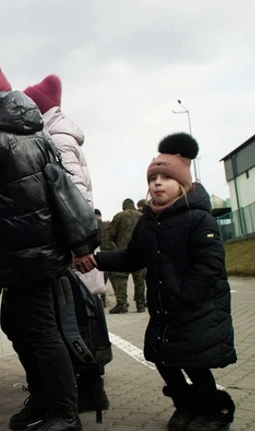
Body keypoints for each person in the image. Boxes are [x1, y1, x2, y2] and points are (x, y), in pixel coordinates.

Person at [0, 53, 98, 431]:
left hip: (25, 253)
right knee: (18, 324)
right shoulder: (35, 132)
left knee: (41, 332)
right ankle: (44, 401)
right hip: (40, 249)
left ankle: (62, 412)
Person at [93, 133, 236, 431]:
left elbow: (209, 266)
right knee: (160, 357)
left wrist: (186, 298)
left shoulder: (198, 218)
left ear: (183, 185)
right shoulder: (149, 221)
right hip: (166, 310)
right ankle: (184, 405)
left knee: (194, 362)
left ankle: (213, 412)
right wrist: (96, 260)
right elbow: (132, 258)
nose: (156, 183)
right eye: (152, 178)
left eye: (165, 177)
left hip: (195, 307)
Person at [24, 73, 110, 415]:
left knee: (78, 321)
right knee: (78, 319)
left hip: (74, 249)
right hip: (76, 245)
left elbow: (73, 193)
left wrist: (79, 247)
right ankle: (88, 390)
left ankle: (90, 391)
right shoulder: (58, 134)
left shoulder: (57, 138)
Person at [104, 198, 147, 313]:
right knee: (139, 279)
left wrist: (111, 249)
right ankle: (140, 305)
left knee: (120, 277)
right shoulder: (142, 216)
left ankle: (122, 304)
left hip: (123, 253)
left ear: (123, 207)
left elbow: (109, 234)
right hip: (141, 252)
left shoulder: (119, 216)